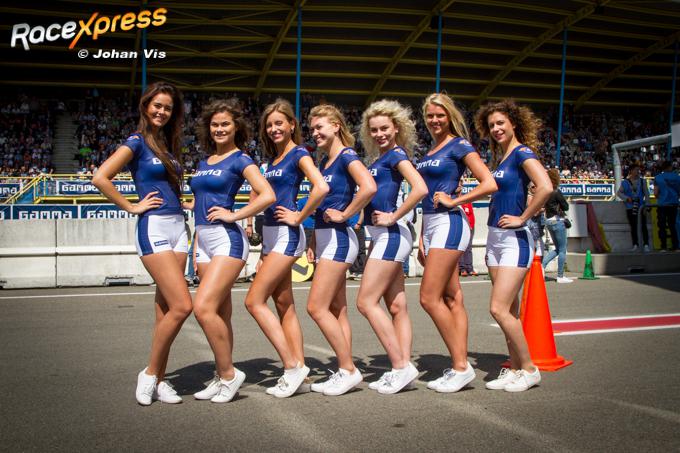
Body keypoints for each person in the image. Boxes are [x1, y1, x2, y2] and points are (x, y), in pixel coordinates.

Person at [92, 82, 191, 405]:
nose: (162, 111)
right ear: (145, 106)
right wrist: (131, 206)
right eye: (157, 105)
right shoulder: (136, 142)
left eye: (168, 108)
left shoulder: (166, 144)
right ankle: (149, 374)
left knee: (166, 310)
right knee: (182, 306)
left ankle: (159, 379)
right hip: (154, 227)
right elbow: (100, 177)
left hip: (179, 227)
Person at [186, 99, 276, 403]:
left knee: (203, 308)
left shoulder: (241, 159)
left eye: (225, 124)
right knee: (220, 313)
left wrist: (235, 215)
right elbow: (202, 199)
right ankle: (220, 373)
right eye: (215, 124)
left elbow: (267, 195)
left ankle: (229, 374)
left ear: (236, 127)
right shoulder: (204, 161)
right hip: (204, 240)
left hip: (227, 239)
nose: (220, 129)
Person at [244, 99, 329, 398]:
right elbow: (259, 195)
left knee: (254, 301)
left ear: (292, 125)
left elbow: (321, 187)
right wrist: (261, 248)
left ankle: (293, 368)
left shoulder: (298, 153)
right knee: (284, 305)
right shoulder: (272, 160)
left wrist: (300, 216)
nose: (274, 128)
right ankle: (300, 372)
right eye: (269, 125)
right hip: (270, 236)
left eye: (279, 123)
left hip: (287, 234)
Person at [416, 93, 497, 393]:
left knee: (428, 298)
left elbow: (489, 183)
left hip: (449, 222)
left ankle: (462, 367)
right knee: (452, 298)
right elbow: (426, 194)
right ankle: (458, 365)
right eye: (430, 116)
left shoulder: (459, 145)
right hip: (431, 224)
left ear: (450, 116)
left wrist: (456, 200)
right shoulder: (429, 151)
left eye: (440, 115)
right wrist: (422, 236)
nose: (434, 120)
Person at [474, 99, 552, 392]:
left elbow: (545, 186)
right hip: (495, 238)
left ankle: (530, 369)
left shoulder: (521, 152)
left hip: (514, 240)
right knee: (510, 310)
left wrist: (523, 217)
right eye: (491, 125)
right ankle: (515, 367)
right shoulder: (502, 157)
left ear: (514, 123)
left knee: (498, 309)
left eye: (500, 123)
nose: (496, 129)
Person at [356, 99, 428, 394]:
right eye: (374, 130)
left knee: (365, 302)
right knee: (397, 306)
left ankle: (400, 367)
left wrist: (393, 216)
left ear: (396, 128)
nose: (379, 134)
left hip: (391, 234)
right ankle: (404, 366)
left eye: (384, 128)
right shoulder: (380, 159)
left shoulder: (396, 155)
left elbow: (420, 188)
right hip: (384, 235)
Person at [306, 104, 377, 396]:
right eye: (312, 129)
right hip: (325, 238)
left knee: (316, 307)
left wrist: (346, 213)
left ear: (336, 126)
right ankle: (343, 368)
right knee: (337, 310)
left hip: (339, 238)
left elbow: (368, 187)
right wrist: (313, 241)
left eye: (319, 127)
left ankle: (348, 370)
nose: (314, 133)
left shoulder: (347, 155)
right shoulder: (325, 162)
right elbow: (321, 205)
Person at [542, 168, 573, 283]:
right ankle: (560, 276)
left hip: (549, 221)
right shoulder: (556, 191)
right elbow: (566, 206)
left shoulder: (545, 190)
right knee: (562, 250)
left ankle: (541, 266)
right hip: (558, 220)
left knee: (558, 248)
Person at [616, 163, 650, 252]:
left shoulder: (642, 181)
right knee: (633, 226)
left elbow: (647, 194)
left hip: (641, 206)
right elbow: (619, 193)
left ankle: (646, 244)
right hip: (630, 207)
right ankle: (635, 244)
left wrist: (646, 206)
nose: (638, 172)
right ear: (631, 171)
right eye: (636, 170)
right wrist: (627, 198)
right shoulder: (625, 182)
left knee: (643, 226)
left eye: (638, 170)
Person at [653, 161, 680, 252]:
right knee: (673, 225)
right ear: (670, 167)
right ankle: (676, 246)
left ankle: (663, 247)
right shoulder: (677, 177)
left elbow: (655, 193)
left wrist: (661, 197)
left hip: (662, 204)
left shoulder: (658, 177)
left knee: (662, 226)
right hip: (674, 204)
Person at [457, 179, 477, 277]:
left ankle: (470, 268)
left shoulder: (466, 199)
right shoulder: (451, 199)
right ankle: (462, 269)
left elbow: (471, 214)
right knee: (460, 248)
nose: (459, 187)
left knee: (468, 247)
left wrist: (471, 226)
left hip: (469, 227)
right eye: (457, 185)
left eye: (460, 185)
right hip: (459, 227)